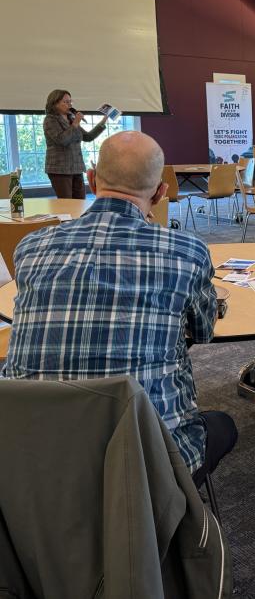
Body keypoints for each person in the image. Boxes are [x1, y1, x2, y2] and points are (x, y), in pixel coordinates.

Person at [2, 131, 238, 486]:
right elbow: (202, 332)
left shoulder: (31, 248)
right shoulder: (187, 252)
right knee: (224, 425)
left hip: (32, 458)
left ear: (92, 179)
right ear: (160, 193)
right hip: (148, 464)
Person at [43, 89, 109, 199]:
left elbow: (88, 137)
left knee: (80, 203)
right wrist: (76, 123)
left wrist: (103, 121)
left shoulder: (71, 118)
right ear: (54, 103)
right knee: (67, 204)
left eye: (70, 101)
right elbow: (62, 140)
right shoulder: (50, 120)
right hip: (60, 169)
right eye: (65, 102)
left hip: (76, 167)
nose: (69, 104)